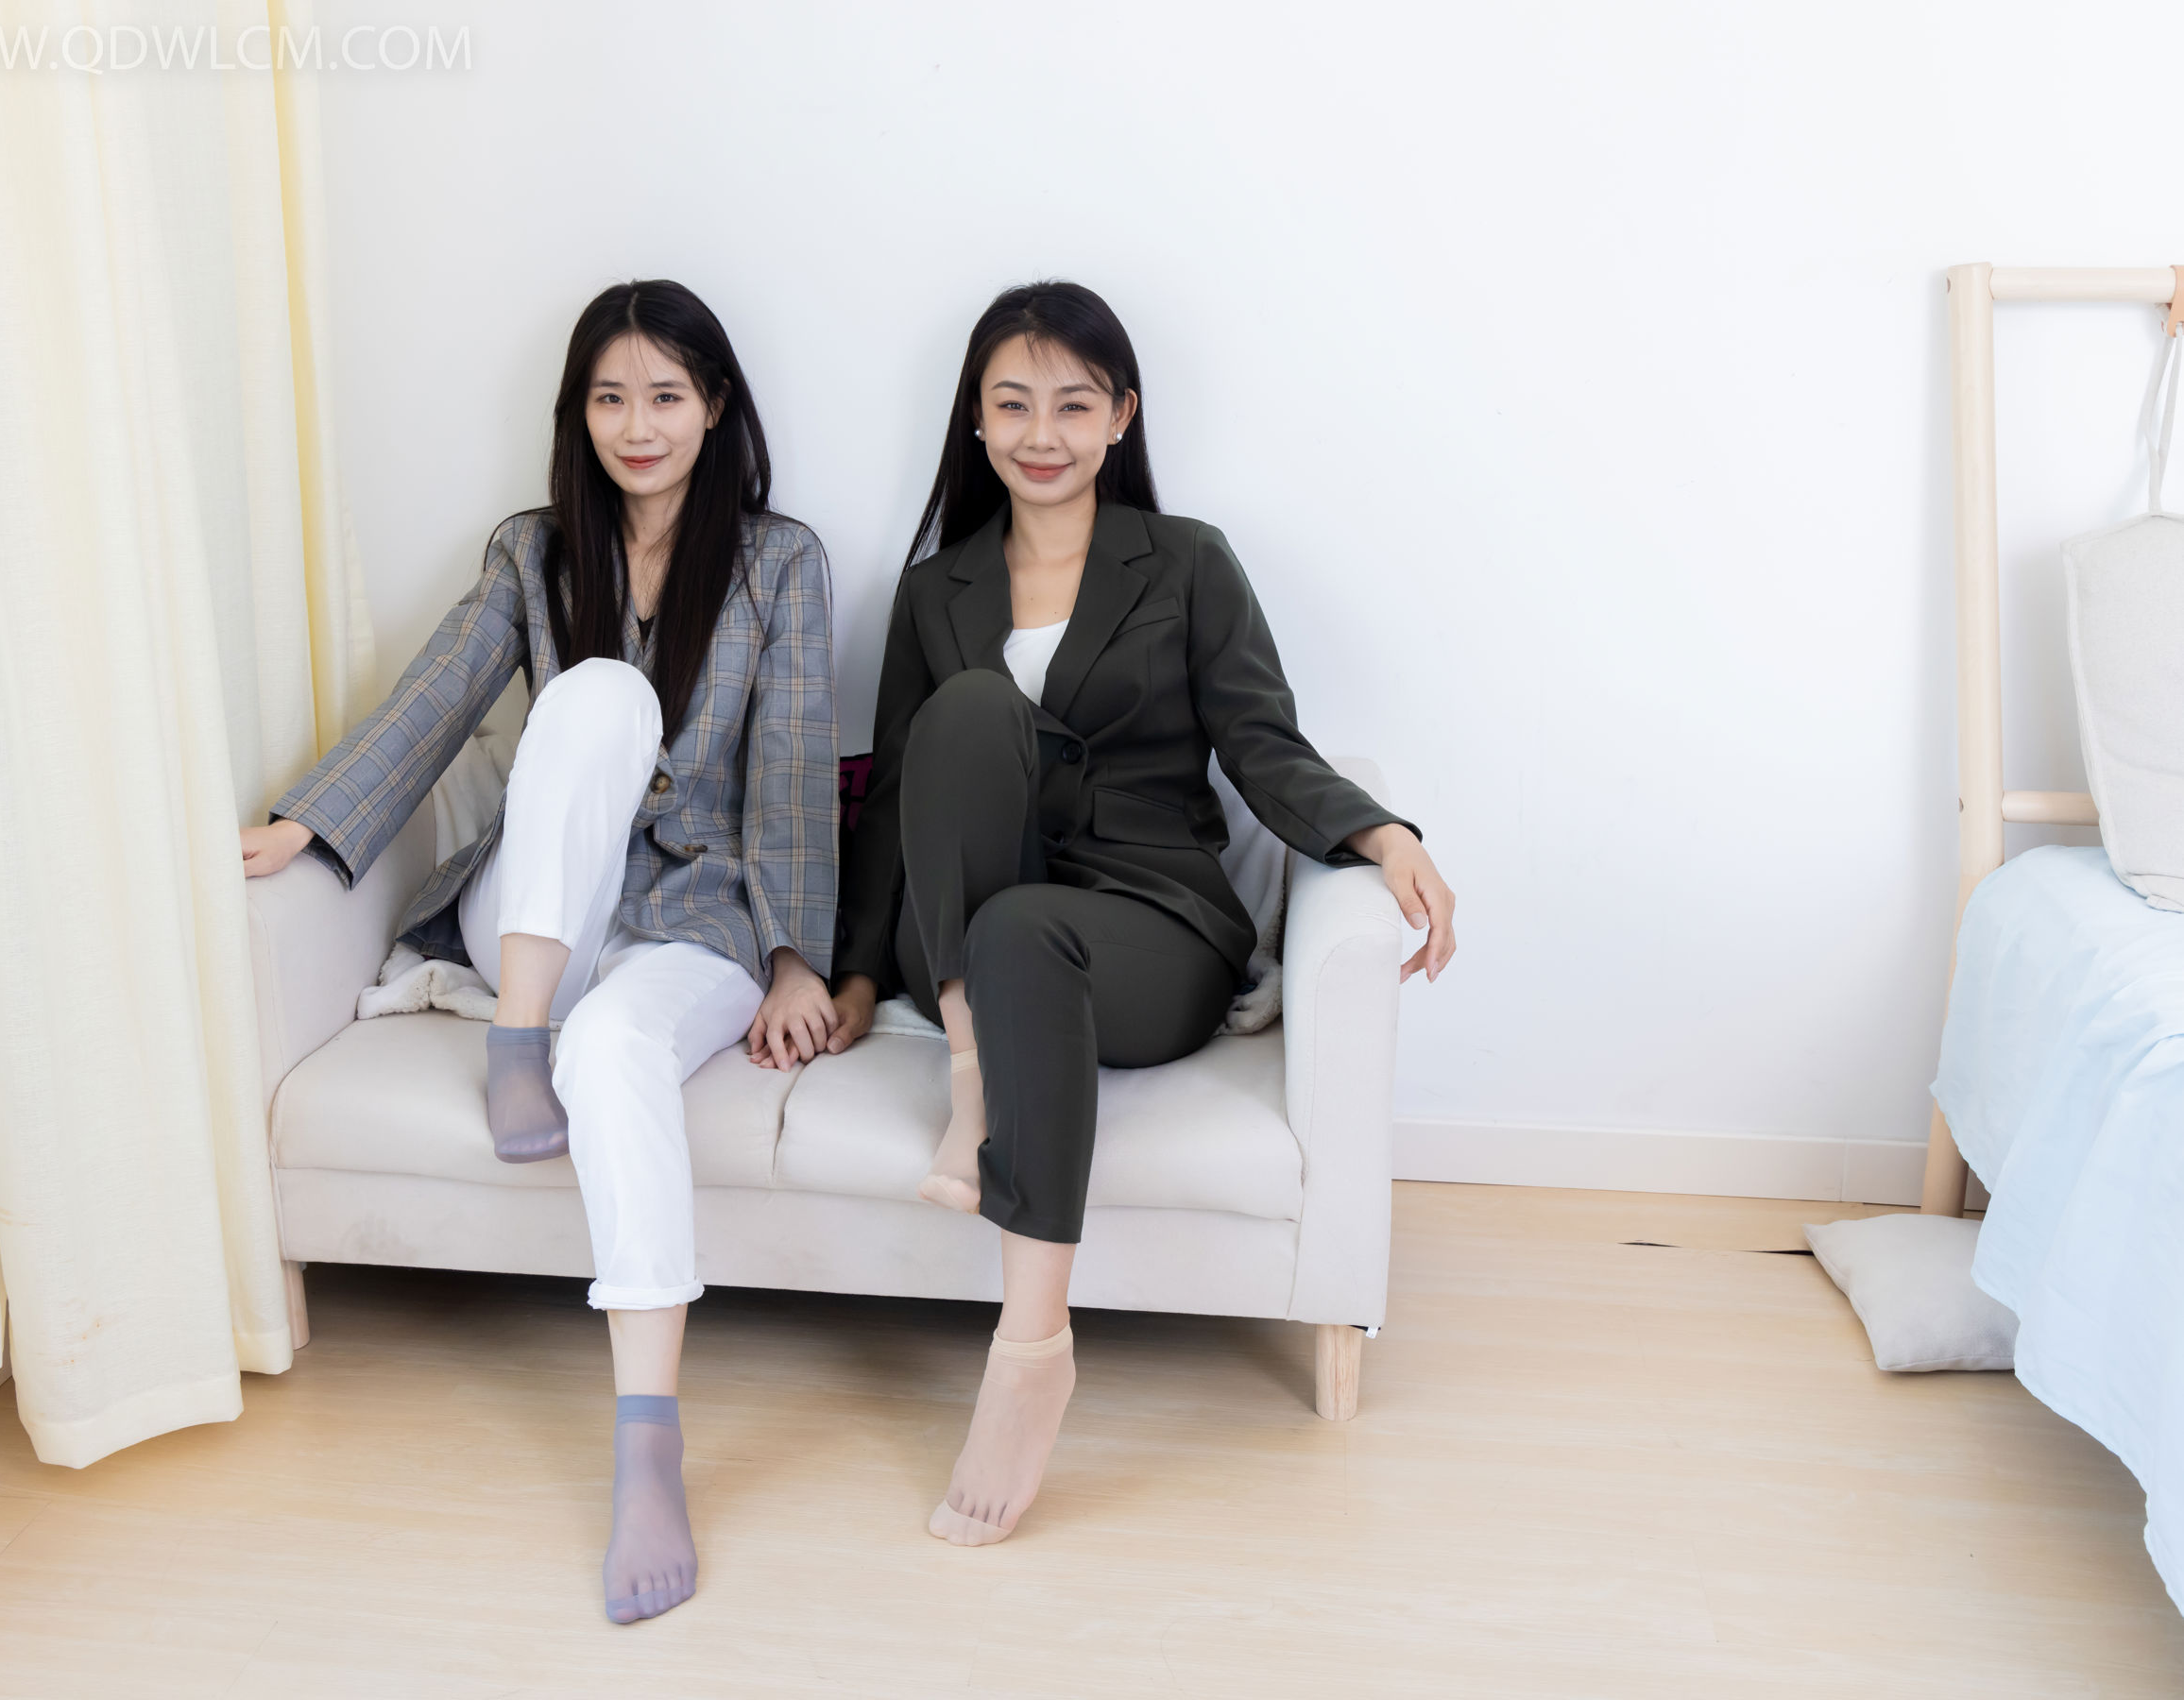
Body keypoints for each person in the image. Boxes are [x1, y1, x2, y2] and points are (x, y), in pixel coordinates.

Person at [241, 280, 841, 1624]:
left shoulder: (780, 562)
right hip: (533, 925)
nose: (638, 426)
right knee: (598, 695)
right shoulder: (533, 552)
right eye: (610, 398)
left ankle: (647, 1445)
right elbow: (435, 699)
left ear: (714, 406)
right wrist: (309, 822)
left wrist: (797, 956)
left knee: (618, 1048)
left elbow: (797, 771)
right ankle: (517, 1035)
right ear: (578, 412)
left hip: (693, 921)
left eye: (666, 396)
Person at [828, 280, 1458, 1547]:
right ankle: (972, 1072)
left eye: (1073, 404)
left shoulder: (1185, 563)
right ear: (975, 420)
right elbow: (898, 797)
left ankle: (1028, 1356)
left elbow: (1262, 742)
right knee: (969, 729)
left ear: (1120, 415)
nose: (1041, 433)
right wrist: (847, 978)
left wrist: (1379, 832)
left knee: (1029, 930)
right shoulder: (937, 590)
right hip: (971, 931)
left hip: (1148, 922)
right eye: (1013, 404)